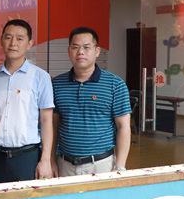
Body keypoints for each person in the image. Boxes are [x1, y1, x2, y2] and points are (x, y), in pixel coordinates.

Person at [52, 27, 131, 176]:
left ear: (97, 51)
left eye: (86, 47)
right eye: (75, 47)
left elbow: (124, 127)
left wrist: (120, 166)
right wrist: (51, 160)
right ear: (69, 51)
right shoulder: (56, 84)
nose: (80, 52)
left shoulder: (115, 84)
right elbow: (53, 127)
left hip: (101, 165)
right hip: (65, 165)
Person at [0, 19, 55, 182]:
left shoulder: (41, 77)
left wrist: (46, 160)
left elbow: (47, 121)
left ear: (29, 44)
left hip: (26, 157)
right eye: (8, 37)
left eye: (20, 38)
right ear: (1, 40)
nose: (13, 43)